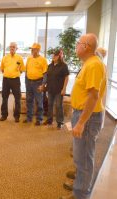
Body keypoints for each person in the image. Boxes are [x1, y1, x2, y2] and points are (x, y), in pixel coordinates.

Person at [60, 34, 107, 199]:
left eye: (78, 43)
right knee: (81, 157)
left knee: (85, 159)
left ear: (86, 46)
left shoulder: (93, 65)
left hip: (88, 118)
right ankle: (79, 187)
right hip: (83, 114)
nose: (76, 45)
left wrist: (80, 122)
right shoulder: (89, 63)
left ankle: (81, 195)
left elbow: (93, 97)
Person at [42, 48, 69, 129]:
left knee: (58, 106)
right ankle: (49, 120)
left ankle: (60, 122)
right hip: (50, 89)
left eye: (55, 55)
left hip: (59, 90)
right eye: (53, 55)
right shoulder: (50, 66)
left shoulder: (64, 66)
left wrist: (64, 89)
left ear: (59, 56)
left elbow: (66, 77)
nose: (53, 56)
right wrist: (44, 85)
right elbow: (47, 76)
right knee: (50, 105)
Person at [0, 42, 25, 123]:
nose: (12, 48)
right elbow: (2, 69)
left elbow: (21, 70)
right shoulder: (5, 58)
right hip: (6, 80)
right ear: (9, 48)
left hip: (15, 80)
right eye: (11, 47)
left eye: (13, 47)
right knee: (4, 98)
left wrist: (15, 74)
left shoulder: (20, 58)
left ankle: (17, 116)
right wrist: (8, 73)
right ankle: (4, 115)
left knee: (17, 98)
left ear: (16, 48)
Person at [24, 43, 48, 125]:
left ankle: (39, 119)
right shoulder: (29, 58)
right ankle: (29, 118)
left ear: (37, 50)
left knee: (39, 101)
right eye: (31, 49)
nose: (31, 50)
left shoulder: (43, 60)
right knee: (29, 100)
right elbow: (26, 70)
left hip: (38, 82)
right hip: (29, 82)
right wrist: (26, 81)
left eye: (33, 49)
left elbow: (45, 73)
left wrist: (43, 84)